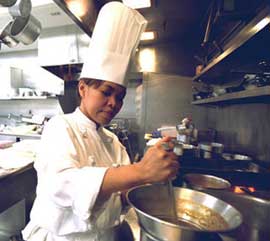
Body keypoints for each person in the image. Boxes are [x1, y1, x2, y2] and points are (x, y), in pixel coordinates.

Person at [22, 2, 179, 241]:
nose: (114, 103)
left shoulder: (113, 141)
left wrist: (147, 183)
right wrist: (140, 171)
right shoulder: (60, 126)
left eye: (120, 97)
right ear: (83, 88)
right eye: (106, 92)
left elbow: (121, 194)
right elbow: (62, 185)